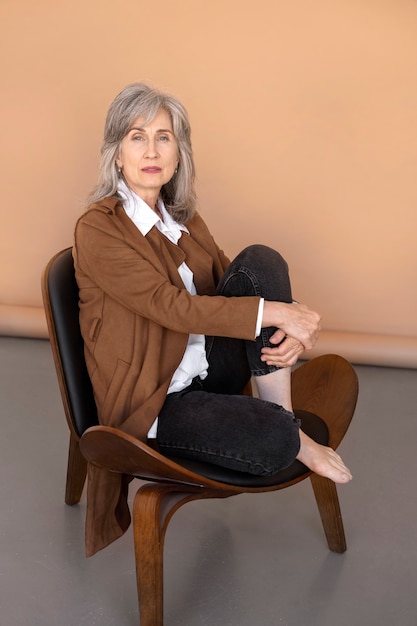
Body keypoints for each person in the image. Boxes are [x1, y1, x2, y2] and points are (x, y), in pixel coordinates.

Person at [73, 83, 351, 553]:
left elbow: (238, 285)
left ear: (179, 154)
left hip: (206, 370)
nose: (152, 150)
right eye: (137, 137)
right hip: (156, 399)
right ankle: (285, 430)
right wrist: (286, 314)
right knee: (273, 443)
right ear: (116, 154)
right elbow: (171, 307)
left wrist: (289, 323)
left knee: (261, 260)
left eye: (165, 137)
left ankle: (282, 414)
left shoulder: (183, 219)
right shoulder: (99, 228)